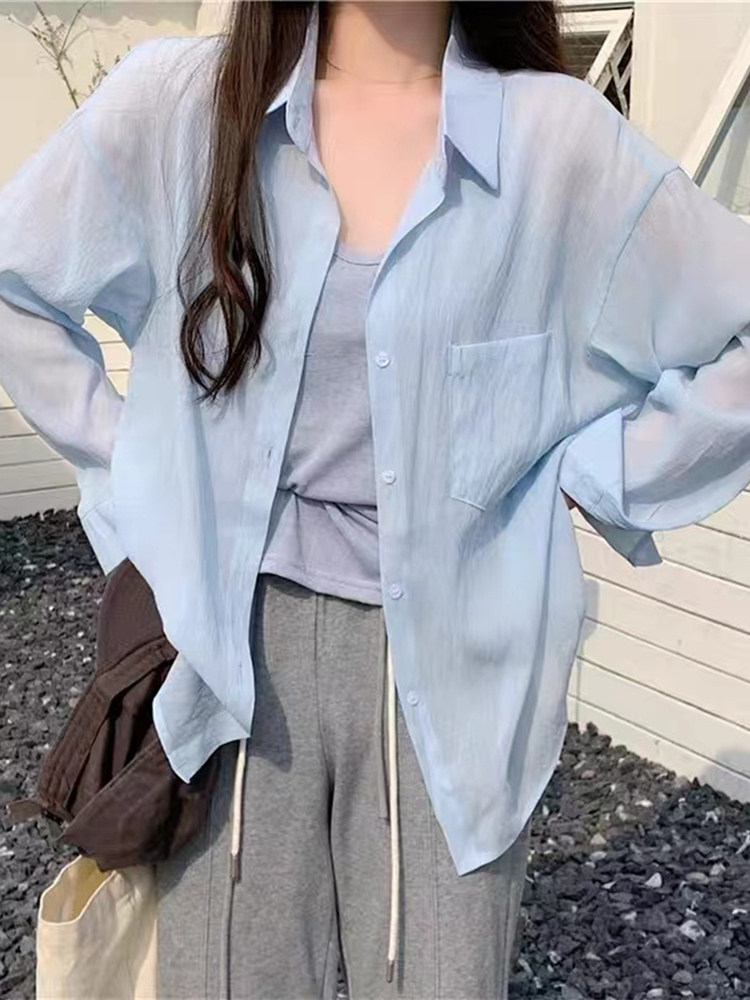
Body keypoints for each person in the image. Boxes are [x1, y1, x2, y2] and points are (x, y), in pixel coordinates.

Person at [1, 1, 750, 996]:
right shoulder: (183, 108)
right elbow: (16, 281)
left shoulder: (555, 146)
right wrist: (144, 473)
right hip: (231, 656)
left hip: (451, 672)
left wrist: (596, 472)